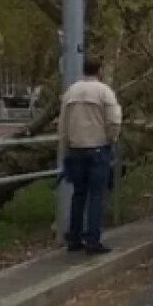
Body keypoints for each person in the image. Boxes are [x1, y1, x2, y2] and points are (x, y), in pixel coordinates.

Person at [58, 55, 122, 254]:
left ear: (83, 70)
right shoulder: (104, 92)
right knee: (96, 195)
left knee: (79, 193)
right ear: (99, 70)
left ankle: (74, 238)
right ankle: (92, 240)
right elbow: (113, 121)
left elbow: (63, 123)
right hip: (98, 148)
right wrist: (110, 139)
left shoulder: (71, 92)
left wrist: (66, 144)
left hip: (76, 149)